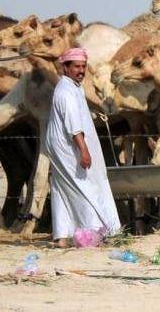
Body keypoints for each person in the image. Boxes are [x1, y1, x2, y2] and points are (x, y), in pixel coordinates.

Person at [44, 47, 121, 248]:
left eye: (83, 66)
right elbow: (73, 126)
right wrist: (84, 151)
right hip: (68, 147)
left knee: (62, 187)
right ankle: (92, 232)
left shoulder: (73, 87)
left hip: (67, 144)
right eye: (76, 66)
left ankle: (62, 236)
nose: (81, 70)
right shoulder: (66, 91)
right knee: (83, 186)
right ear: (65, 67)